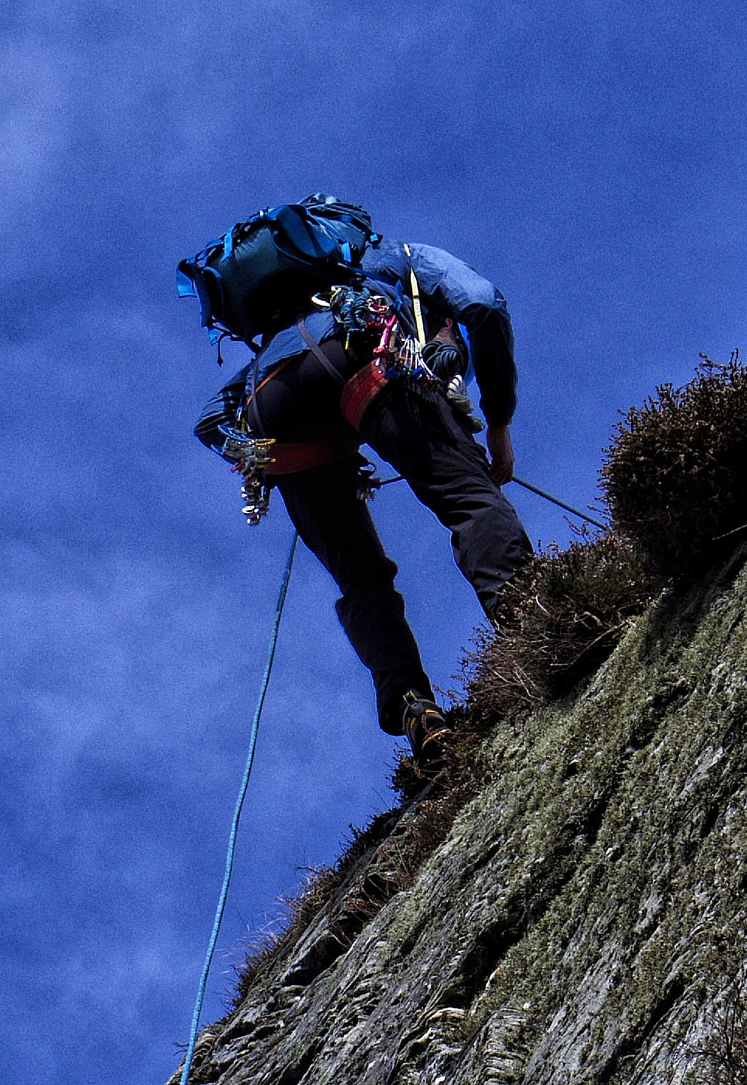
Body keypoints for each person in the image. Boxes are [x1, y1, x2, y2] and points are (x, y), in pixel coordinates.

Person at [196, 237, 532, 772]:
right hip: (364, 353)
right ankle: (529, 621)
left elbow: (211, 422)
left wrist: (280, 454)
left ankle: (413, 706)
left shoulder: (268, 345)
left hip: (270, 409)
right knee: (468, 499)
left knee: (361, 580)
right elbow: (485, 304)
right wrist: (498, 422)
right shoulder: (396, 258)